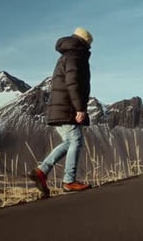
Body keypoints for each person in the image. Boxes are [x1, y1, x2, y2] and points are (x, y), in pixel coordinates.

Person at [29, 27, 93, 197]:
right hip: (67, 107)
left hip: (61, 106)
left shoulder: (68, 54)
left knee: (69, 142)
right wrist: (80, 108)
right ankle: (69, 181)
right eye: (89, 45)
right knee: (76, 140)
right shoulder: (75, 56)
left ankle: (42, 171)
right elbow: (73, 82)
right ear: (84, 43)